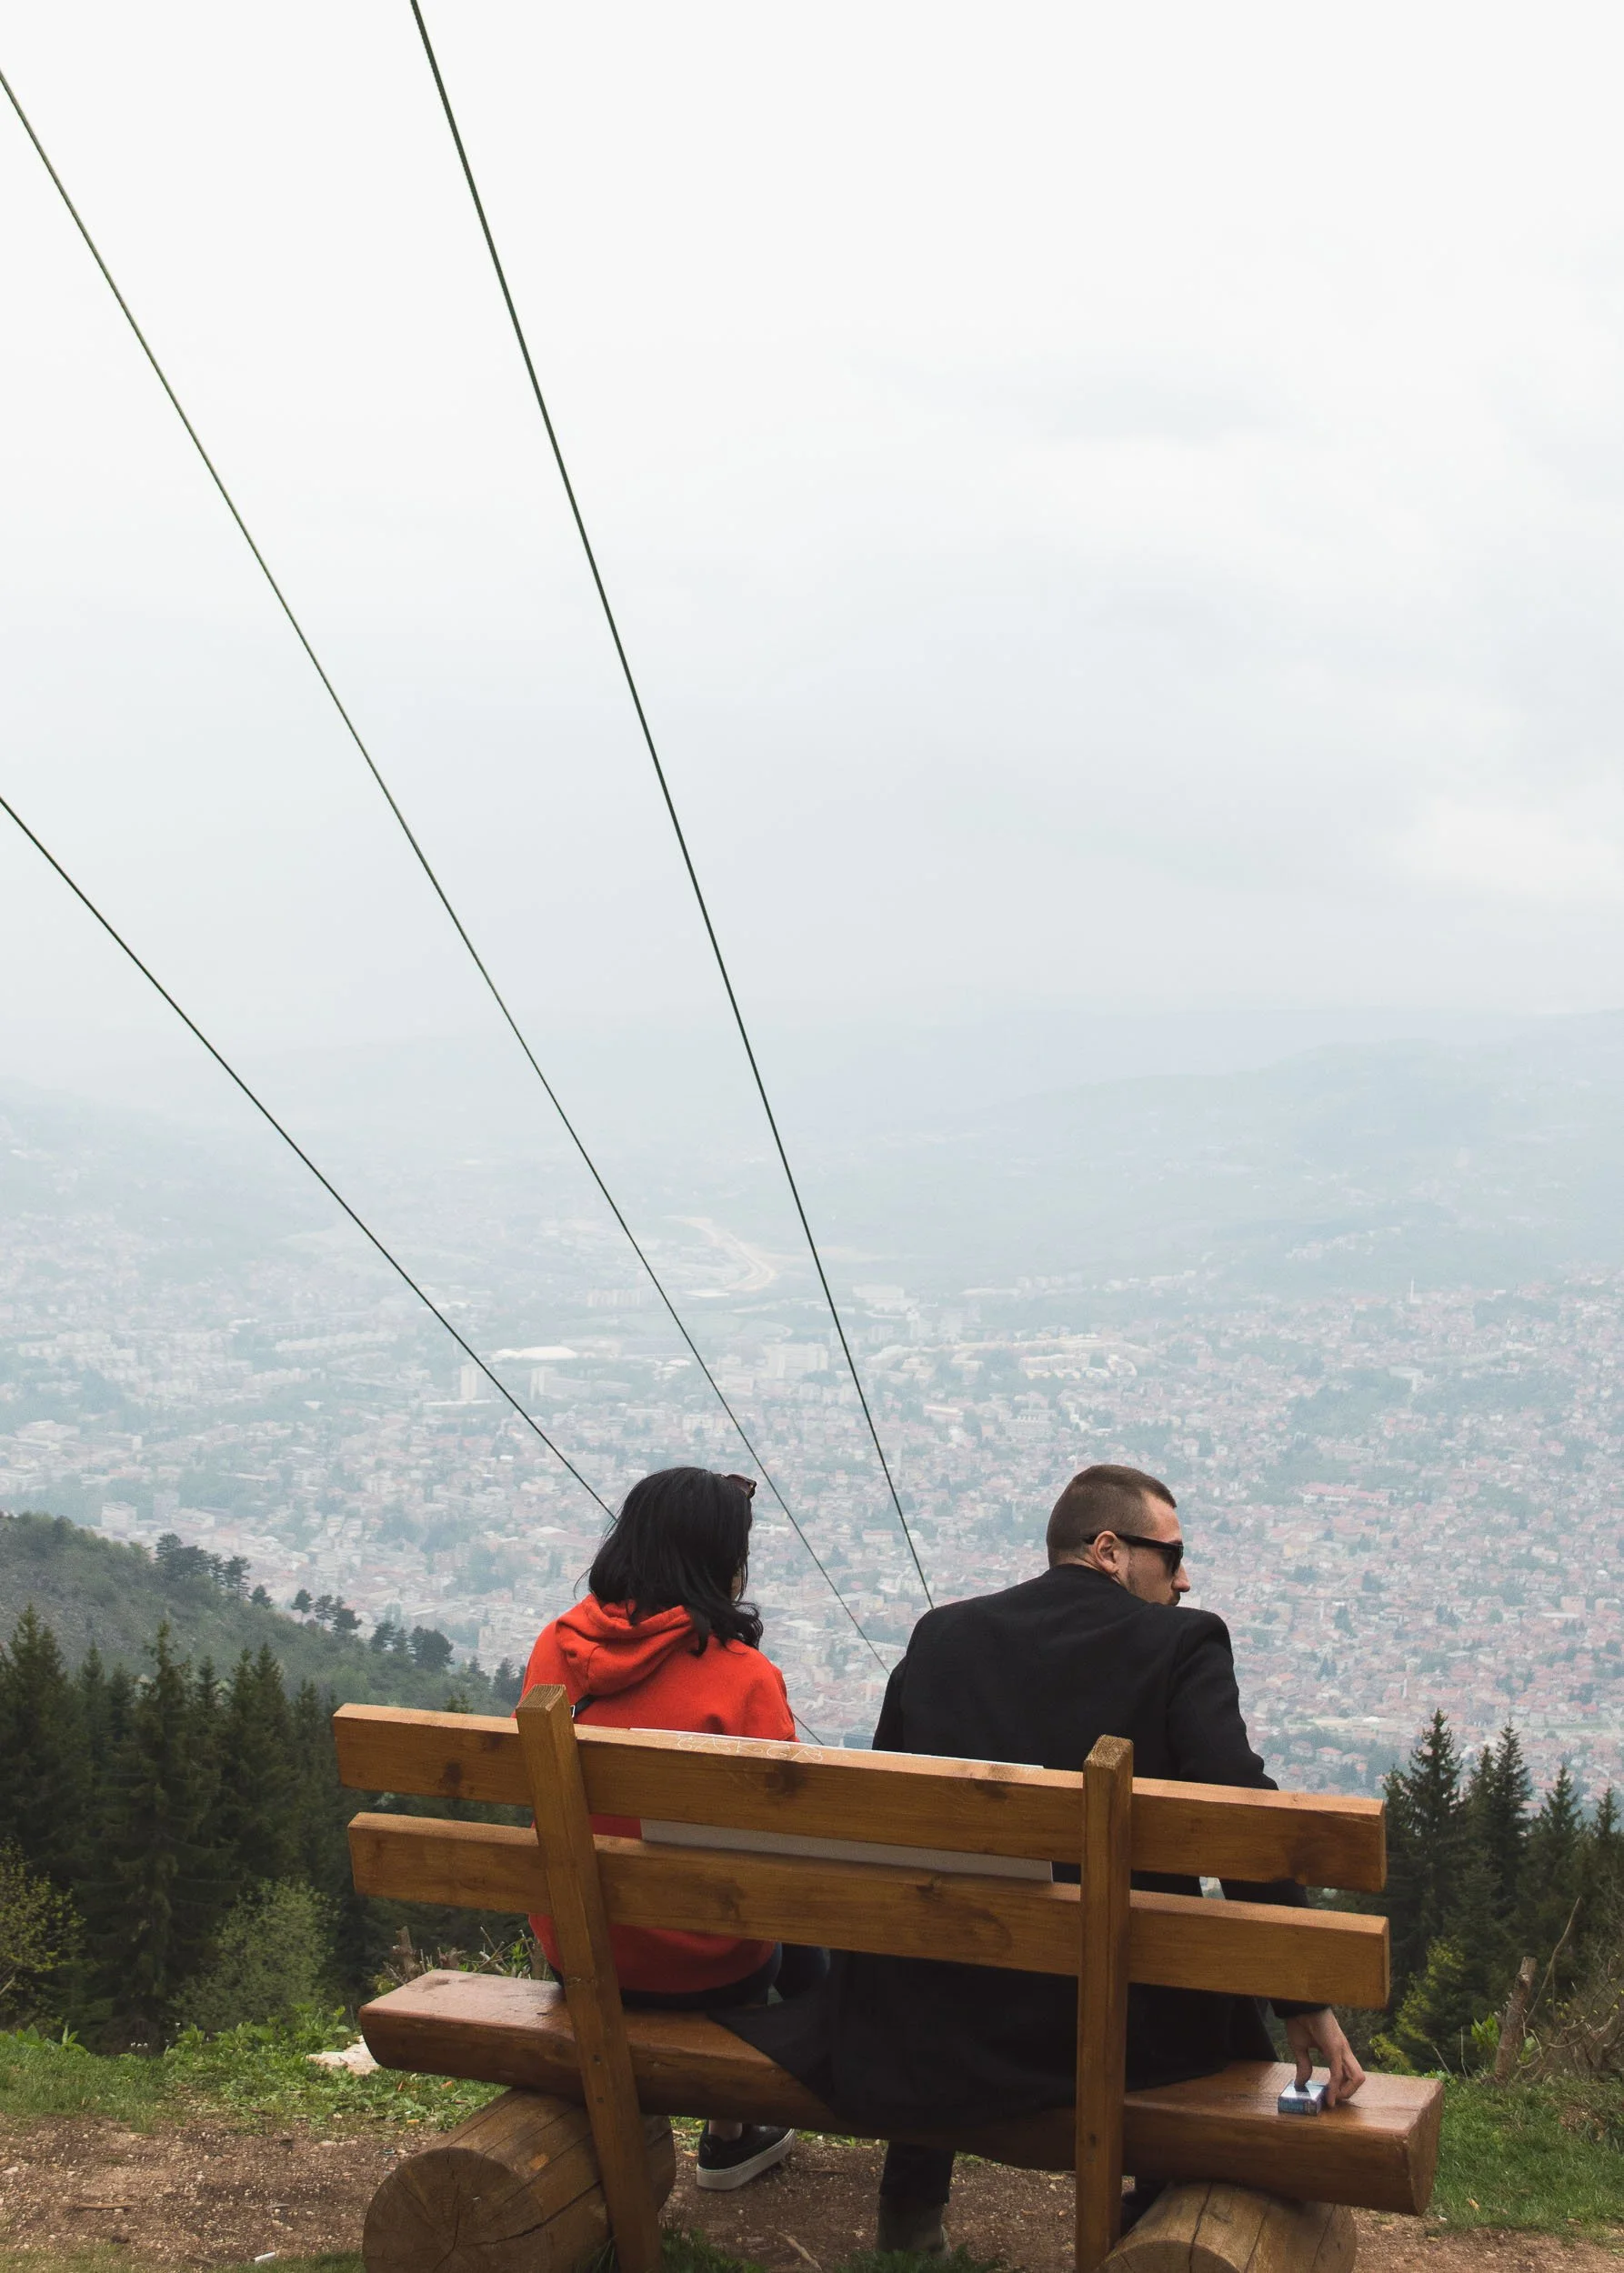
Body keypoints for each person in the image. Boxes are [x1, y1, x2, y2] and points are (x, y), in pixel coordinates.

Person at [725, 1462, 1366, 2252]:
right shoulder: (1183, 1642)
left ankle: (910, 2220)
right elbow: (1241, 1816)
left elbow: (888, 1829)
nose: (1184, 1578)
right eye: (1173, 1555)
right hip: (1116, 2024)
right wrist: (1299, 1995)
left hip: (934, 2014)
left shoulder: (943, 1635)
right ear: (1109, 1550)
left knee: (945, 1935)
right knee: (1207, 2009)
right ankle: (1158, 2212)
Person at [522, 1466, 825, 2190]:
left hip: (581, 1948)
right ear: (723, 1563)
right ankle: (731, 2129)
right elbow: (780, 1837)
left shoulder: (554, 1649)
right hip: (709, 1967)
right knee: (805, 1943)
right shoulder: (746, 1678)